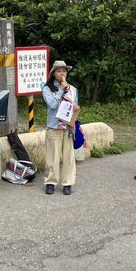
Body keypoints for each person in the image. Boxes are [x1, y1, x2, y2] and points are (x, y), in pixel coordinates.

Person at [42, 60, 80, 195]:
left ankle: (67, 183)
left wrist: (75, 107)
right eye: (59, 71)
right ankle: (51, 182)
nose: (62, 73)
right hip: (54, 126)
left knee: (69, 156)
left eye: (64, 71)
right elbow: (52, 104)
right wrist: (61, 90)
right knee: (53, 156)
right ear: (53, 73)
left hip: (68, 126)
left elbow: (74, 106)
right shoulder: (47, 88)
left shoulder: (73, 89)